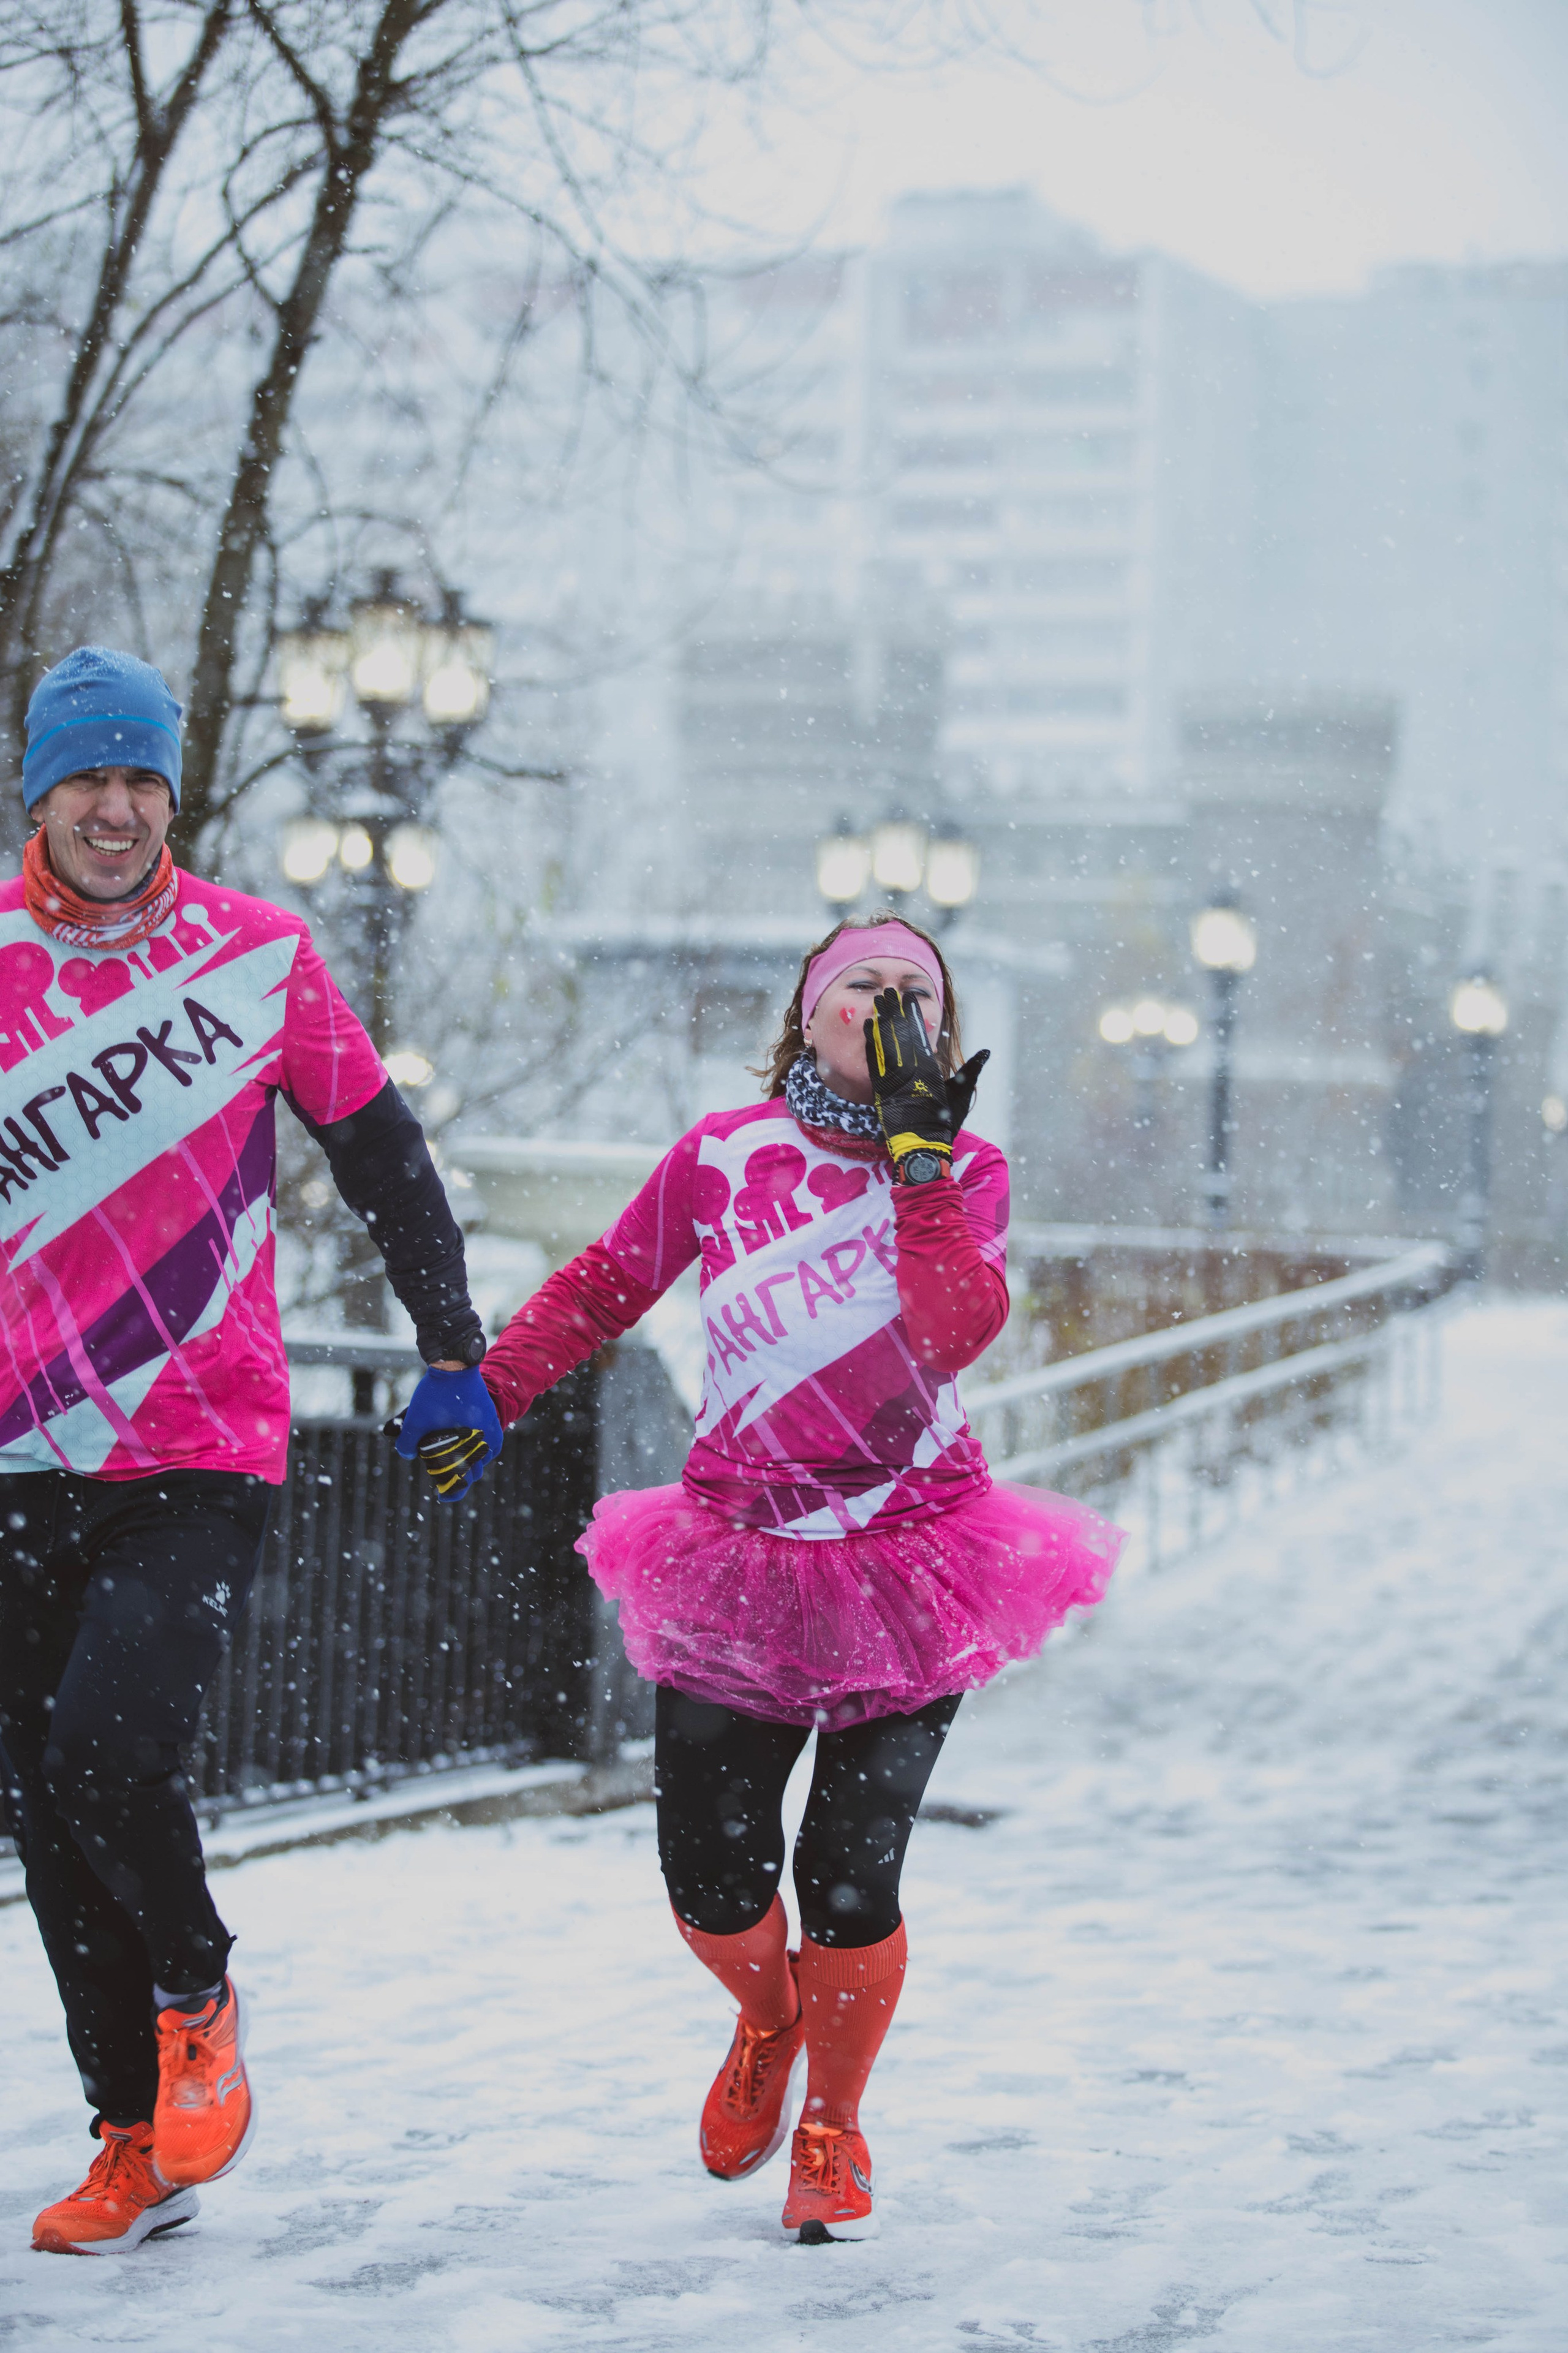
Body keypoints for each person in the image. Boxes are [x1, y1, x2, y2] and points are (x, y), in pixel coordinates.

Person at [465, 912, 1123, 2242]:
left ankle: (832, 2121)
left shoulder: (967, 1170)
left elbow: (951, 1334)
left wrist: (920, 1168)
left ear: (939, 1033)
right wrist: (489, 1389)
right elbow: (604, 1285)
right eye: (860, 987)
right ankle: (766, 2021)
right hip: (737, 1557)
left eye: (914, 994)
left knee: (849, 1870)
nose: (885, 1008)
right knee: (709, 1875)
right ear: (807, 1013)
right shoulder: (723, 1155)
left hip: (913, 1559)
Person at [0, 647, 502, 2255]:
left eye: (143, 779)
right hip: (17, 1450)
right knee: (46, 1806)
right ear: (39, 796)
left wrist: (451, 1350)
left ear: (172, 796)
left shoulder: (257, 956)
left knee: (105, 1751)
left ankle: (197, 1988)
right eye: (87, 779)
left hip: (201, 1439)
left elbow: (382, 1152)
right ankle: (130, 2136)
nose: (118, 808)